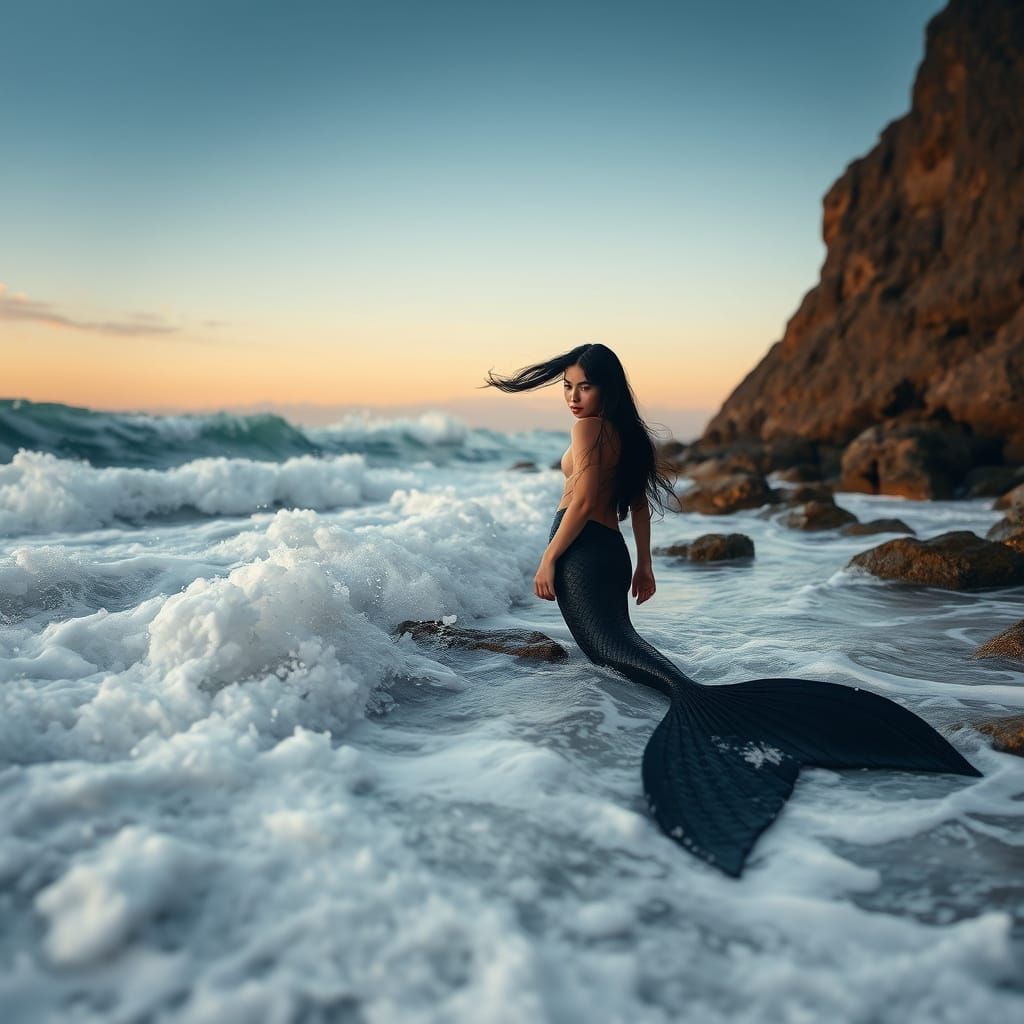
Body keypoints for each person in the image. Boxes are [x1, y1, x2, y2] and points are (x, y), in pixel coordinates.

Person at [485, 343, 982, 877]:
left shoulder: (589, 431)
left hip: (581, 557)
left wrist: (547, 559)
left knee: (613, 652)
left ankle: (701, 716)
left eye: (584, 385)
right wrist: (644, 565)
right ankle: (742, 715)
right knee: (624, 646)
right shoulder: (628, 435)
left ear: (607, 387)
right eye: (567, 386)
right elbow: (634, 505)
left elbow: (581, 503)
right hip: (611, 555)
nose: (573, 397)